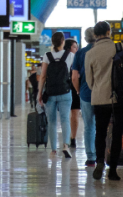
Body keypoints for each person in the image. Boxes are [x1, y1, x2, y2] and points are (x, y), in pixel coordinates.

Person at [86, 21, 123, 181]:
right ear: (109, 32)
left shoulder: (90, 53)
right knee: (117, 133)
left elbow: (89, 80)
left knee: (100, 132)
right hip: (120, 98)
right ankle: (112, 170)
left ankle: (100, 160)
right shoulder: (120, 47)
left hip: (100, 98)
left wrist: (99, 88)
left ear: (95, 35)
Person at [38, 31, 74, 159]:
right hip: (65, 92)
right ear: (63, 41)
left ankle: (53, 150)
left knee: (51, 121)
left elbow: (42, 76)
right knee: (65, 119)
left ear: (52, 42)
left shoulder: (47, 56)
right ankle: (66, 145)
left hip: (50, 93)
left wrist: (39, 94)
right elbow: (74, 75)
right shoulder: (70, 55)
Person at [72, 27, 97, 166]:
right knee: (102, 125)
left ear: (86, 39)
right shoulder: (102, 52)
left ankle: (91, 157)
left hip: (86, 94)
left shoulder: (80, 53)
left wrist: (78, 91)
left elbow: (74, 77)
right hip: (103, 94)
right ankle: (102, 155)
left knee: (89, 126)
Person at [65, 39, 81, 148]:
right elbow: (77, 75)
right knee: (75, 114)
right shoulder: (75, 57)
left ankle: (65, 139)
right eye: (75, 47)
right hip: (74, 87)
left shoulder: (60, 56)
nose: (77, 49)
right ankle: (73, 138)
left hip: (62, 88)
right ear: (70, 47)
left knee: (64, 115)